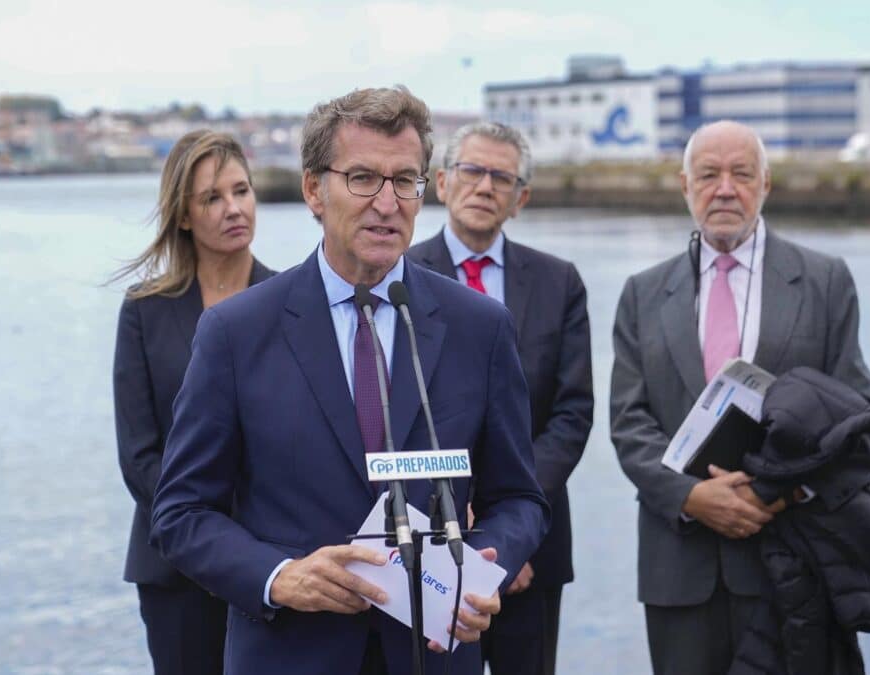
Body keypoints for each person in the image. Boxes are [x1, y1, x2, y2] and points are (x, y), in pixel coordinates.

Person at [150, 86, 549, 675]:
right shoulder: (235, 332)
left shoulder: (480, 328)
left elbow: (518, 499)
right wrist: (279, 577)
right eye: (363, 178)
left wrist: (482, 567)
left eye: (405, 180)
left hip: (432, 655)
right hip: (290, 652)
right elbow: (181, 513)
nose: (387, 203)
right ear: (314, 189)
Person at [609, 120, 870, 675]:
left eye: (742, 174)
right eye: (708, 175)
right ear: (686, 186)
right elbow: (628, 423)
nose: (725, 189)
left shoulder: (825, 281)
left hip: (790, 559)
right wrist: (690, 496)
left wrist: (780, 492)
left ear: (766, 184)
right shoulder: (642, 291)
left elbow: (860, 417)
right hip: (678, 568)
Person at [408, 122, 594, 675]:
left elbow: (572, 412)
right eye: (472, 171)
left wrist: (509, 534)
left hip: (534, 549)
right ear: (442, 182)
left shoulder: (559, 283)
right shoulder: (399, 277)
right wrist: (456, 517)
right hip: (424, 548)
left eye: (501, 177)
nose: (485, 187)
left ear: (521, 199)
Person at [111, 129, 275, 675]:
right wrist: (210, 538)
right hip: (174, 569)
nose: (234, 209)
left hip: (275, 567)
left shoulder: (293, 303)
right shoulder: (144, 311)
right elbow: (139, 456)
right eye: (212, 198)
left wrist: (252, 552)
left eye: (242, 190)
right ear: (183, 216)